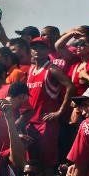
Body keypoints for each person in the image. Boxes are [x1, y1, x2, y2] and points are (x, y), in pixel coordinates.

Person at [24, 36, 74, 168]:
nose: (36, 51)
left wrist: (60, 111)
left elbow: (70, 86)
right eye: (34, 48)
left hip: (46, 123)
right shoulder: (30, 70)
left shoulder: (52, 69)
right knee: (32, 163)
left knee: (47, 164)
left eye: (41, 48)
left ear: (47, 50)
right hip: (31, 124)